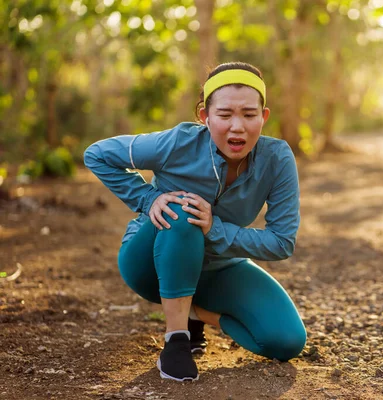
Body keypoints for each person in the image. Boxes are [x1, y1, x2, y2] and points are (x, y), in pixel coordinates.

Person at [84, 62, 306, 382]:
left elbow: (282, 242)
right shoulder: (177, 143)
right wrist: (148, 200)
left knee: (286, 341)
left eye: (249, 114)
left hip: (217, 268)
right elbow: (98, 154)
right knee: (183, 207)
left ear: (264, 116)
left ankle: (194, 312)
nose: (238, 127)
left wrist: (214, 229)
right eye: (225, 115)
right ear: (205, 117)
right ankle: (176, 341)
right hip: (151, 264)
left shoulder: (277, 158)